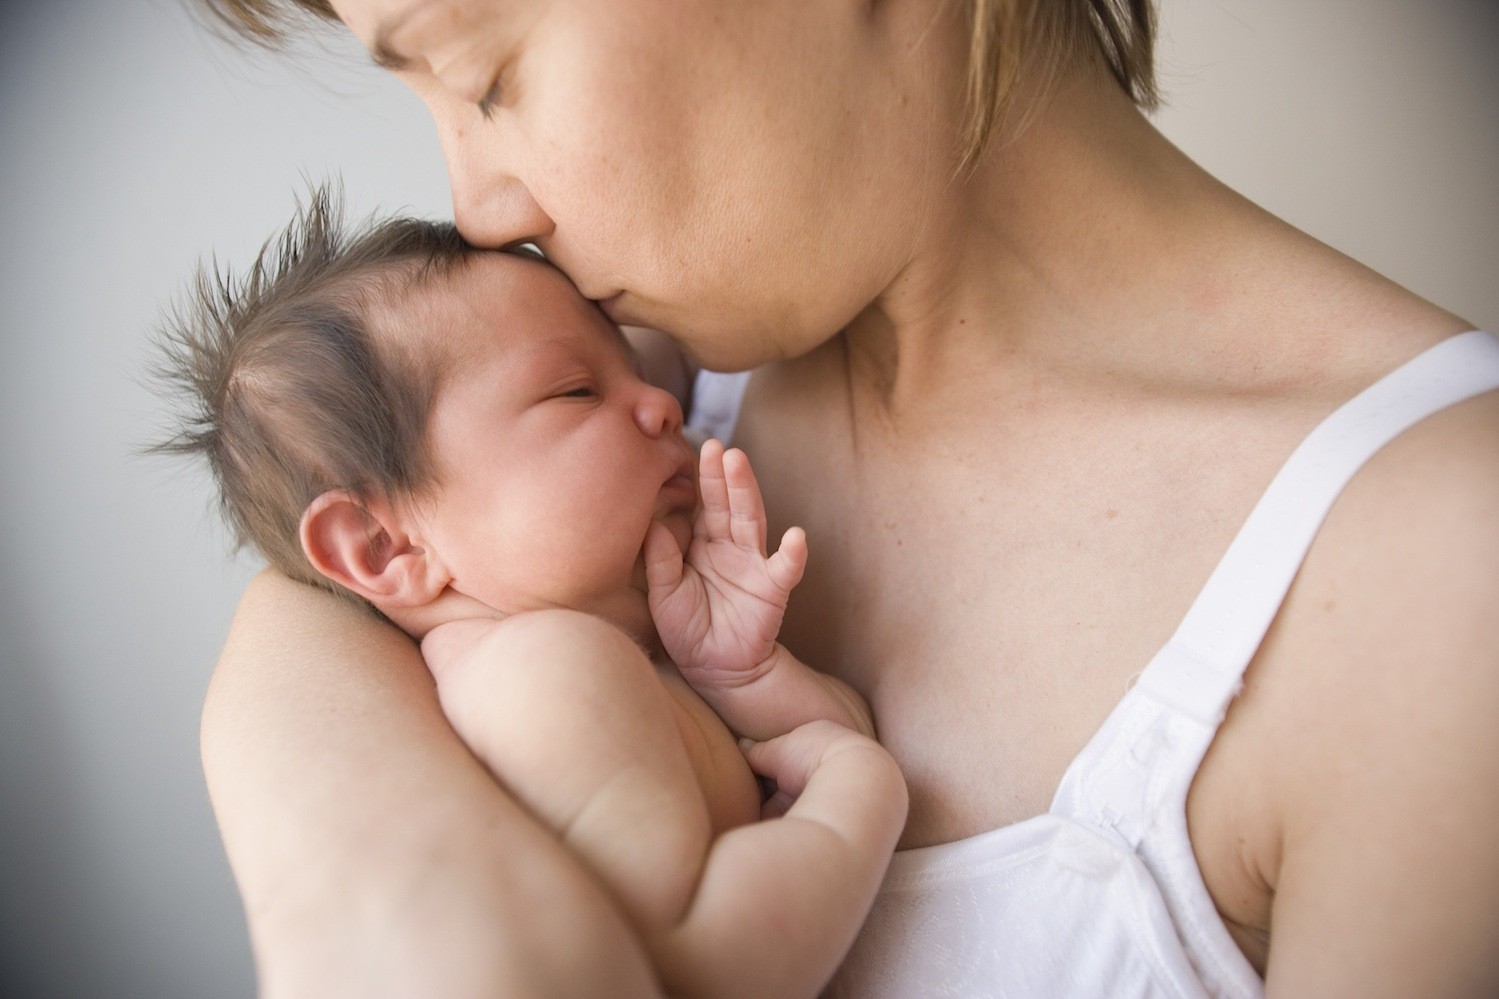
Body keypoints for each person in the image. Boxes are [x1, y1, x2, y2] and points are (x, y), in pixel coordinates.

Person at [192, 0, 1499, 995]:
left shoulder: (1434, 568)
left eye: (487, 74)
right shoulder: (645, 383)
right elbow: (333, 575)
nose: (480, 209)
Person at [155, 191, 908, 997]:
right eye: (578, 391)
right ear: (387, 547)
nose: (662, 405)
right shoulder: (548, 673)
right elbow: (711, 957)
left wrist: (745, 679)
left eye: (636, 371)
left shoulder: (598, 643)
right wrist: (863, 789)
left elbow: (806, 759)